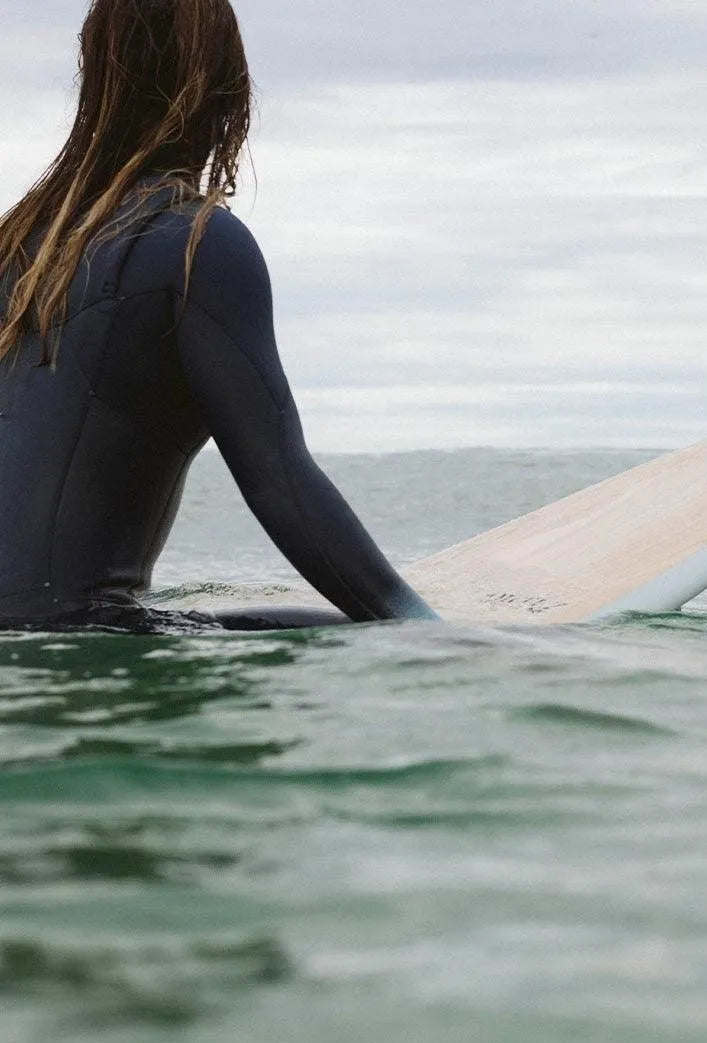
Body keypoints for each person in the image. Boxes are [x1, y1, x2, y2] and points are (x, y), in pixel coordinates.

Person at [0, 0, 438, 634]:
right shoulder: (192, 243)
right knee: (355, 631)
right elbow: (279, 480)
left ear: (92, 77)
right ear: (227, 88)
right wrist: (428, 630)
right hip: (73, 638)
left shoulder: (16, 246)